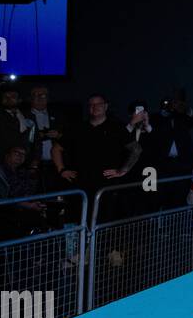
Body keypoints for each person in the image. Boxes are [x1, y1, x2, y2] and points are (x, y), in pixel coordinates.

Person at [52, 94, 143, 223]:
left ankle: (101, 242)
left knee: (104, 219)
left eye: (98, 104)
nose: (95, 107)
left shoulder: (116, 127)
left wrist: (123, 170)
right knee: (78, 218)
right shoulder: (77, 128)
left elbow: (136, 149)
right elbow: (56, 148)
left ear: (105, 106)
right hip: (80, 183)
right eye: (91, 105)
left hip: (105, 185)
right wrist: (61, 169)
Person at [145, 90, 193, 209]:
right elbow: (153, 131)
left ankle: (177, 225)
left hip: (182, 164)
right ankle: (158, 225)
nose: (172, 105)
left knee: (179, 198)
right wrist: (167, 111)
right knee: (159, 197)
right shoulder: (155, 118)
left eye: (174, 102)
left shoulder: (181, 117)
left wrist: (184, 108)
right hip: (162, 165)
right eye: (170, 102)